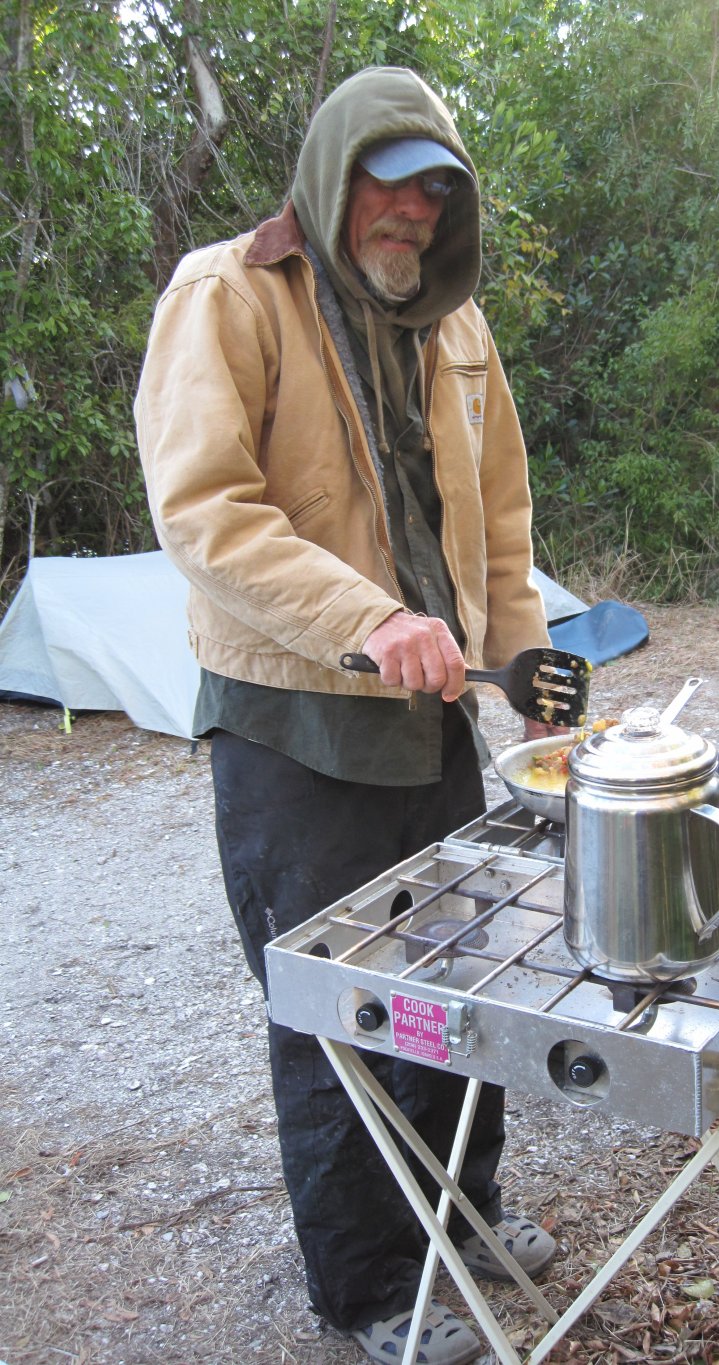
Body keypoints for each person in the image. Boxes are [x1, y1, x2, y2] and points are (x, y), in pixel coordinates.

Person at [135, 64, 563, 1365]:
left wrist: (529, 662)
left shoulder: (461, 322)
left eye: (437, 189)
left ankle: (466, 1212)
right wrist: (369, 619)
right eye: (388, 180)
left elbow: (496, 525)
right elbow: (207, 514)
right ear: (331, 174)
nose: (412, 213)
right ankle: (373, 1283)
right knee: (341, 1014)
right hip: (293, 729)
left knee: (468, 983)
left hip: (437, 725)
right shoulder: (227, 294)